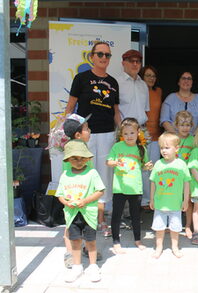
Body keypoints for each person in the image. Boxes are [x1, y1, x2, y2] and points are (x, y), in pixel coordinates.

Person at [65, 41, 121, 237]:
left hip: (107, 134)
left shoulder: (113, 82)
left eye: (107, 55)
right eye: (100, 54)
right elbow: (70, 107)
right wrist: (66, 131)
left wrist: (120, 132)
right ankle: (80, 217)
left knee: (104, 177)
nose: (104, 58)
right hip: (85, 136)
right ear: (92, 57)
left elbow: (115, 111)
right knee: (84, 173)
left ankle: (101, 219)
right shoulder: (81, 79)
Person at [55, 140, 105, 283]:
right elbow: (60, 195)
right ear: (68, 160)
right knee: (75, 240)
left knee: (91, 241)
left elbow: (100, 191)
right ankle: (77, 266)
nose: (78, 161)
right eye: (74, 158)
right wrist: (66, 202)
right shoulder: (65, 175)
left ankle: (93, 266)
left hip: (88, 213)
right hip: (72, 215)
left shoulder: (92, 173)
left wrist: (85, 201)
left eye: (82, 158)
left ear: (88, 158)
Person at [107, 118, 153, 254]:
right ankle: (116, 241)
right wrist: (114, 163)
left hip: (135, 188)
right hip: (119, 187)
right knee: (116, 215)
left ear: (138, 132)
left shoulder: (141, 148)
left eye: (132, 133)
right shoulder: (117, 147)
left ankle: (138, 240)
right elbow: (108, 161)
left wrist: (148, 166)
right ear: (121, 134)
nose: (129, 136)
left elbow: (144, 166)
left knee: (136, 216)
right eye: (125, 134)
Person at [115, 50, 151, 210]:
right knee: (124, 169)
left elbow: (145, 110)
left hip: (141, 130)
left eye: (138, 61)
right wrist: (120, 132)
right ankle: (122, 211)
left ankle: (136, 209)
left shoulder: (143, 84)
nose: (135, 64)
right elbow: (113, 109)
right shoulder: (116, 82)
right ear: (123, 63)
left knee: (141, 169)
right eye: (131, 61)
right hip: (124, 132)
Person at [149, 132, 191, 259]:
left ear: (176, 148)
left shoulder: (181, 165)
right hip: (160, 203)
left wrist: (185, 200)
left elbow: (186, 183)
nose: (164, 151)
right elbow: (153, 183)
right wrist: (151, 199)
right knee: (159, 227)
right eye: (162, 148)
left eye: (167, 148)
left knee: (175, 227)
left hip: (175, 204)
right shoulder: (158, 164)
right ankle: (159, 247)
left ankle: (175, 246)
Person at [61, 114, 92, 268]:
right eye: (87, 128)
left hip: (85, 195)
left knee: (86, 222)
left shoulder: (84, 147)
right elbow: (68, 174)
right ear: (78, 134)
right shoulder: (71, 149)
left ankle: (86, 247)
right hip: (73, 194)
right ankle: (69, 253)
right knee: (70, 224)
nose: (90, 130)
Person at [139, 65, 163, 208]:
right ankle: (142, 200)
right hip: (141, 134)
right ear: (142, 77)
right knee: (142, 169)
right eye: (148, 75)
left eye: (153, 76)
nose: (151, 78)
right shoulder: (138, 91)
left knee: (153, 169)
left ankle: (151, 200)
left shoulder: (158, 91)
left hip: (156, 135)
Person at [174, 111, 195, 238]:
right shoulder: (173, 139)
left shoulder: (193, 140)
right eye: (182, 125)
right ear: (176, 125)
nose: (185, 128)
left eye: (187, 125)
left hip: (189, 176)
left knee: (188, 201)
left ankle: (187, 225)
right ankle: (174, 224)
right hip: (174, 175)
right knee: (174, 200)